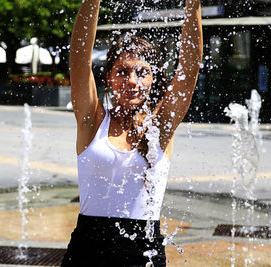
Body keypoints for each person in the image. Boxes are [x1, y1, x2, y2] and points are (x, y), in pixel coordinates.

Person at [61, 0, 202, 266]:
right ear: (108, 78)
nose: (132, 82)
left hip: (143, 254)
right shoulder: (92, 122)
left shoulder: (160, 128)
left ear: (153, 79)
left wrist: (193, 6)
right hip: (87, 252)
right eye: (122, 72)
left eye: (142, 72)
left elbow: (189, 68)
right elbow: (80, 59)